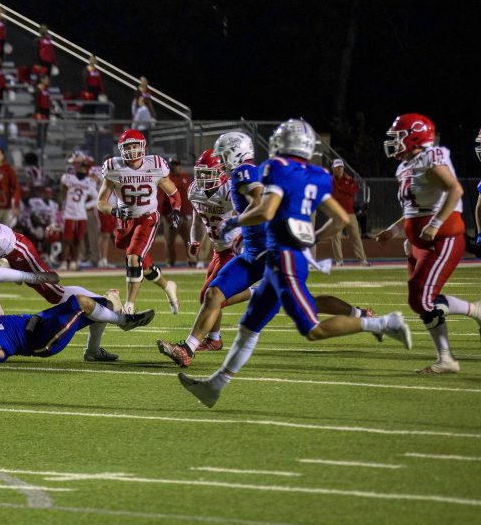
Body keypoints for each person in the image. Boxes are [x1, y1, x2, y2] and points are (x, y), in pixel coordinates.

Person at [178, 120, 413, 407]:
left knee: (311, 327)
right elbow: (339, 219)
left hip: (280, 256)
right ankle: (214, 386)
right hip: (264, 254)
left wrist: (235, 224)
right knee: (236, 313)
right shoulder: (317, 175)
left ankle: (382, 323)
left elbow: (265, 210)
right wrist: (311, 238)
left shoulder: (262, 170)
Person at [158, 133, 378, 368]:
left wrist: (237, 225)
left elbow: (262, 204)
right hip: (252, 254)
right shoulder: (231, 178)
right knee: (213, 294)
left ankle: (362, 316)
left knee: (306, 305)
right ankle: (187, 349)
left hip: (275, 254)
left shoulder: (246, 173)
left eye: (224, 156)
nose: (221, 162)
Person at [373, 113, 481, 373]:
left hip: (442, 237)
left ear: (415, 136)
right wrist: (394, 230)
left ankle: (474, 313)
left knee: (422, 299)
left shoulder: (429, 157)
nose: (393, 142)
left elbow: (455, 189)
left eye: (398, 136)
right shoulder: (405, 165)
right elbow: (413, 209)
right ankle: (446, 359)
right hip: (419, 241)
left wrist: (435, 224)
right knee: (420, 302)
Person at [0, 293, 155, 365]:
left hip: (38, 321)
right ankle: (124, 322)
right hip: (43, 340)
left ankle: (93, 352)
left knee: (104, 305)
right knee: (80, 303)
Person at [97, 129, 182, 314]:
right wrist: (114, 210)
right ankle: (168, 286)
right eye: (128, 147)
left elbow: (173, 193)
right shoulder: (113, 167)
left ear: (144, 147)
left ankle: (129, 306)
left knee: (133, 258)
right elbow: (101, 202)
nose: (132, 150)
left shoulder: (155, 165)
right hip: (126, 221)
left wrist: (176, 210)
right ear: (121, 149)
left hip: (147, 217)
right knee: (146, 266)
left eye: (135, 145)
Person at [59, 151, 98, 270]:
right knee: (67, 239)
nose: (82, 169)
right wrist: (62, 204)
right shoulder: (68, 178)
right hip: (69, 213)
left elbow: (97, 198)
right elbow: (62, 191)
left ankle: (74, 262)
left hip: (81, 214)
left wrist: (85, 206)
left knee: (78, 239)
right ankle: (64, 262)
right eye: (80, 167)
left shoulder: (89, 182)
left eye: (84, 168)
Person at [329, 159, 369, 266]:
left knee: (356, 236)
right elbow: (334, 194)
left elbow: (354, 190)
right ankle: (339, 261)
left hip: (350, 213)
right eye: (337, 167)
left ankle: (362, 260)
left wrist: (340, 189)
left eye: (341, 167)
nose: (339, 169)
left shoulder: (349, 179)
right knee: (335, 237)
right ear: (333, 169)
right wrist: (345, 191)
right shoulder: (330, 180)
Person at [163, 159, 194, 266]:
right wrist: (165, 214)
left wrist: (190, 212)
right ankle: (170, 262)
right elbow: (162, 198)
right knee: (169, 241)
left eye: (177, 164)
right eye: (174, 165)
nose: (176, 167)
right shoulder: (166, 178)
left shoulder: (186, 177)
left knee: (190, 240)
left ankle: (192, 261)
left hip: (186, 216)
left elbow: (190, 196)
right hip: (171, 216)